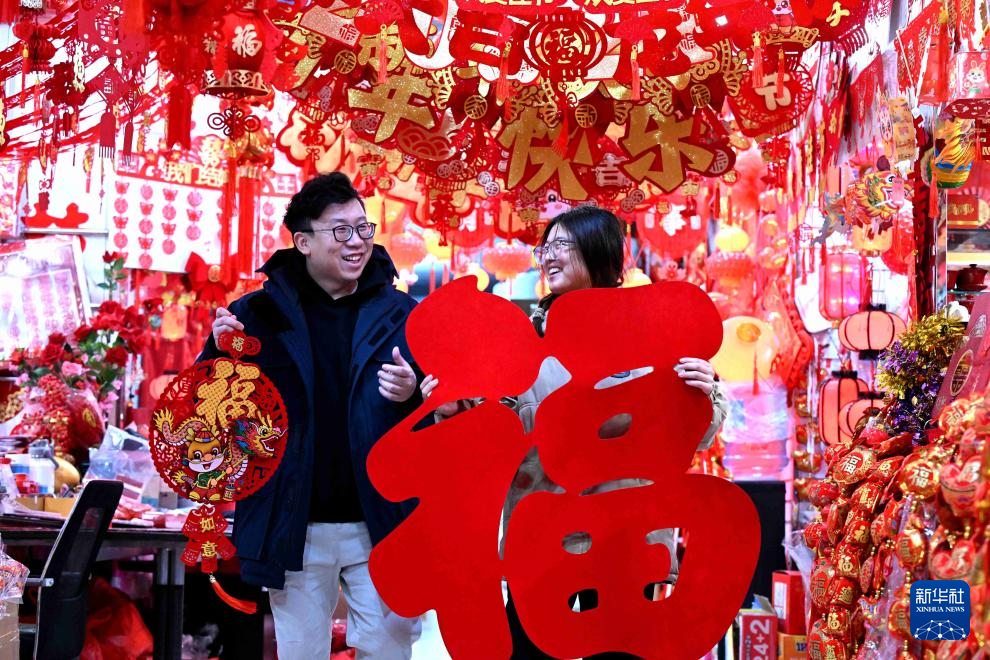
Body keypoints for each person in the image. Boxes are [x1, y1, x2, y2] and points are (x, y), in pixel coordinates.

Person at [421, 205, 729, 660]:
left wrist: (705, 394)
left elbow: (690, 438)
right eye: (545, 247)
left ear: (600, 252)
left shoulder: (653, 339)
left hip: (625, 541)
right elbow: (488, 443)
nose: (548, 256)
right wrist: (455, 410)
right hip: (546, 541)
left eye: (562, 244)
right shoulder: (520, 347)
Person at [200, 173, 422, 660]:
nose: (357, 242)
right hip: (293, 522)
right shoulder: (256, 315)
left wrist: (412, 393)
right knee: (301, 651)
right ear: (303, 242)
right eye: (340, 230)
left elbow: (439, 410)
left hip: (383, 520)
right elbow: (208, 409)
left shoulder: (403, 314)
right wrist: (217, 355)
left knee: (389, 651)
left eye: (362, 228)